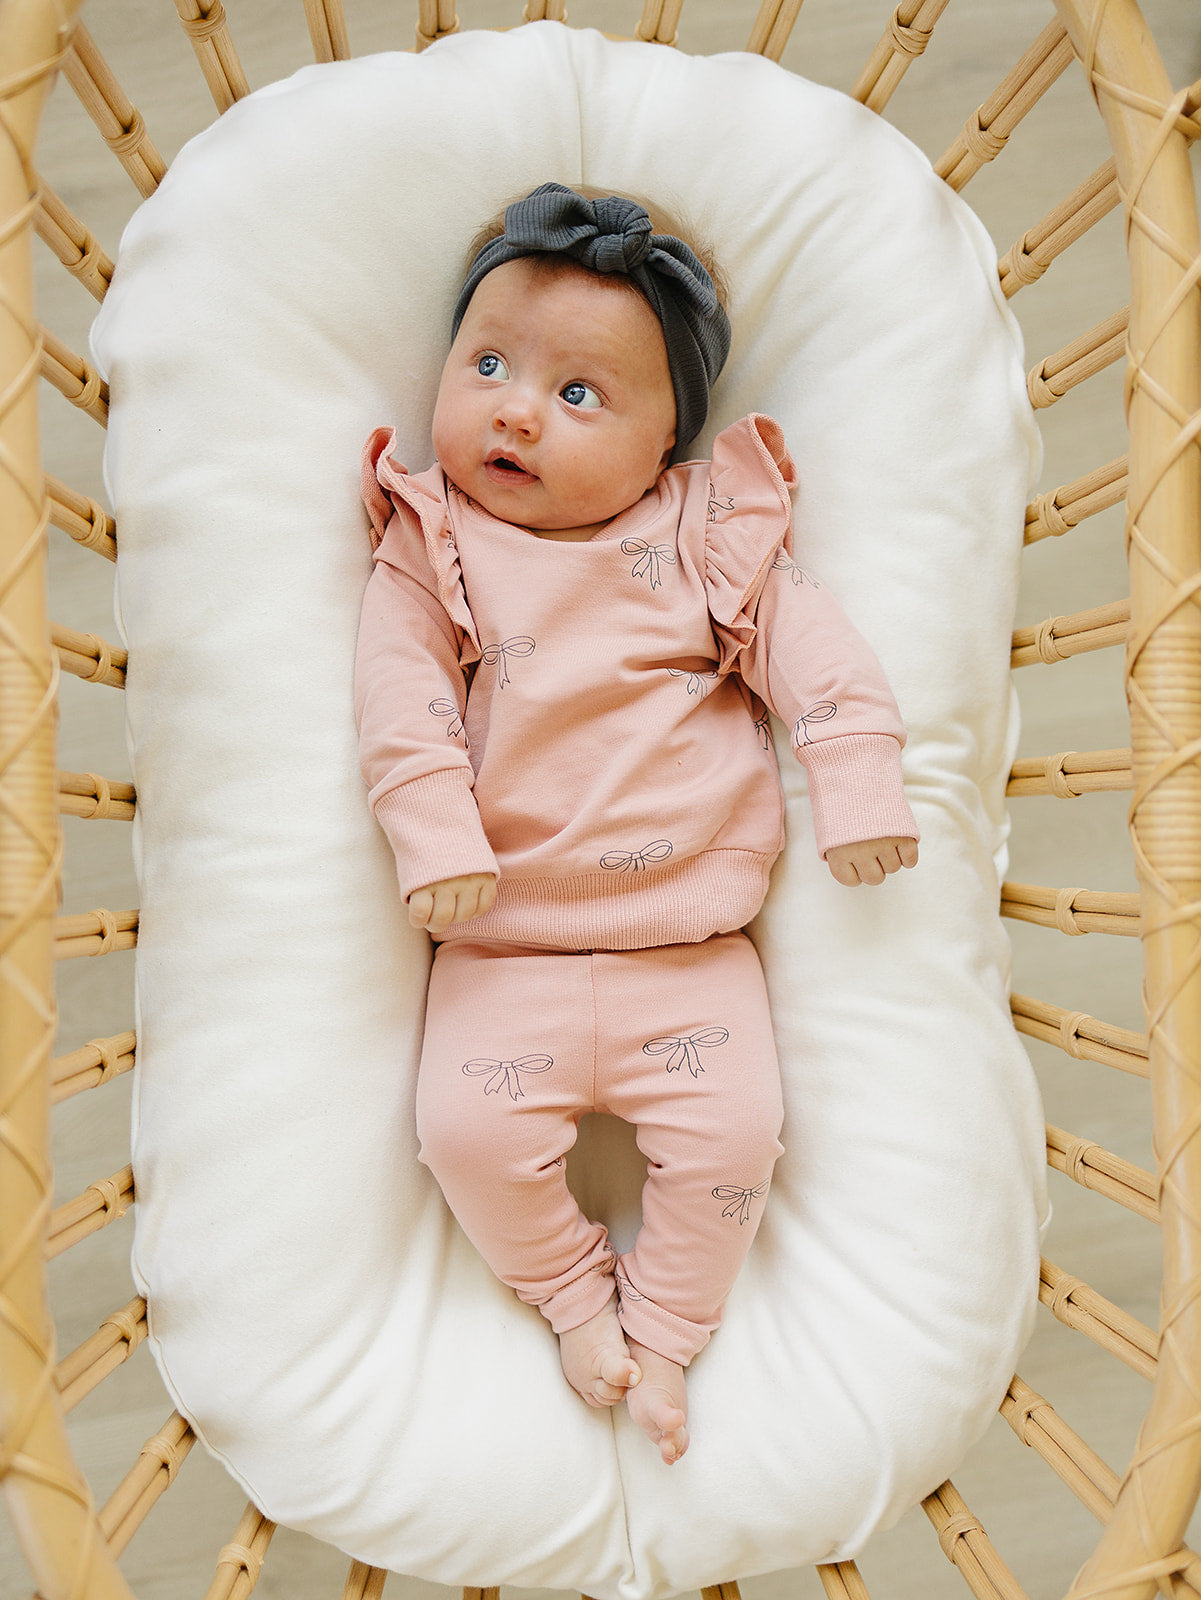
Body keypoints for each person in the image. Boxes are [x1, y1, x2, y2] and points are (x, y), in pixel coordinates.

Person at [354, 182, 919, 1466]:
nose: (513, 409)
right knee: (462, 1136)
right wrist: (434, 836)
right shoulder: (434, 542)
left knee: (737, 1140)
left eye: (577, 393)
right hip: (501, 945)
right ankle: (569, 1297)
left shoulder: (705, 533)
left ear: (667, 442)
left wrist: (857, 781)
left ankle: (664, 1329)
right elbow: (399, 700)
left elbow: (815, 654)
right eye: (487, 365)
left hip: (691, 951)